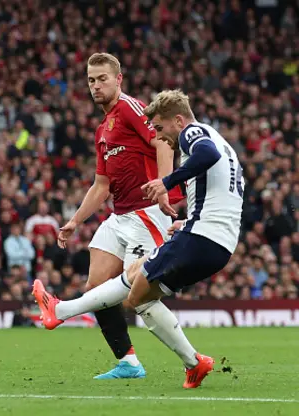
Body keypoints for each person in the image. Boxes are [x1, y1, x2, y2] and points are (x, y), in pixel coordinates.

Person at [33, 89, 244, 388]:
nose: (159, 136)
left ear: (178, 120)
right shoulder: (224, 145)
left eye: (160, 128)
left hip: (201, 238)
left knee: (138, 295)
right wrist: (188, 221)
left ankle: (62, 311)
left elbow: (204, 156)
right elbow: (226, 193)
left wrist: (166, 181)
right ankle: (192, 363)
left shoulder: (192, 132)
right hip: (217, 242)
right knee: (137, 279)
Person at [44, 53, 184, 380]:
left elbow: (164, 140)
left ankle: (193, 360)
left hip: (146, 211)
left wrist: (163, 186)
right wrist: (75, 221)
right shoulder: (102, 130)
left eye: (102, 79)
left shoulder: (132, 109)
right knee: (96, 287)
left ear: (118, 80)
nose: (96, 85)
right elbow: (101, 185)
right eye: (91, 80)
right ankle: (129, 363)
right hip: (119, 215)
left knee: (136, 297)